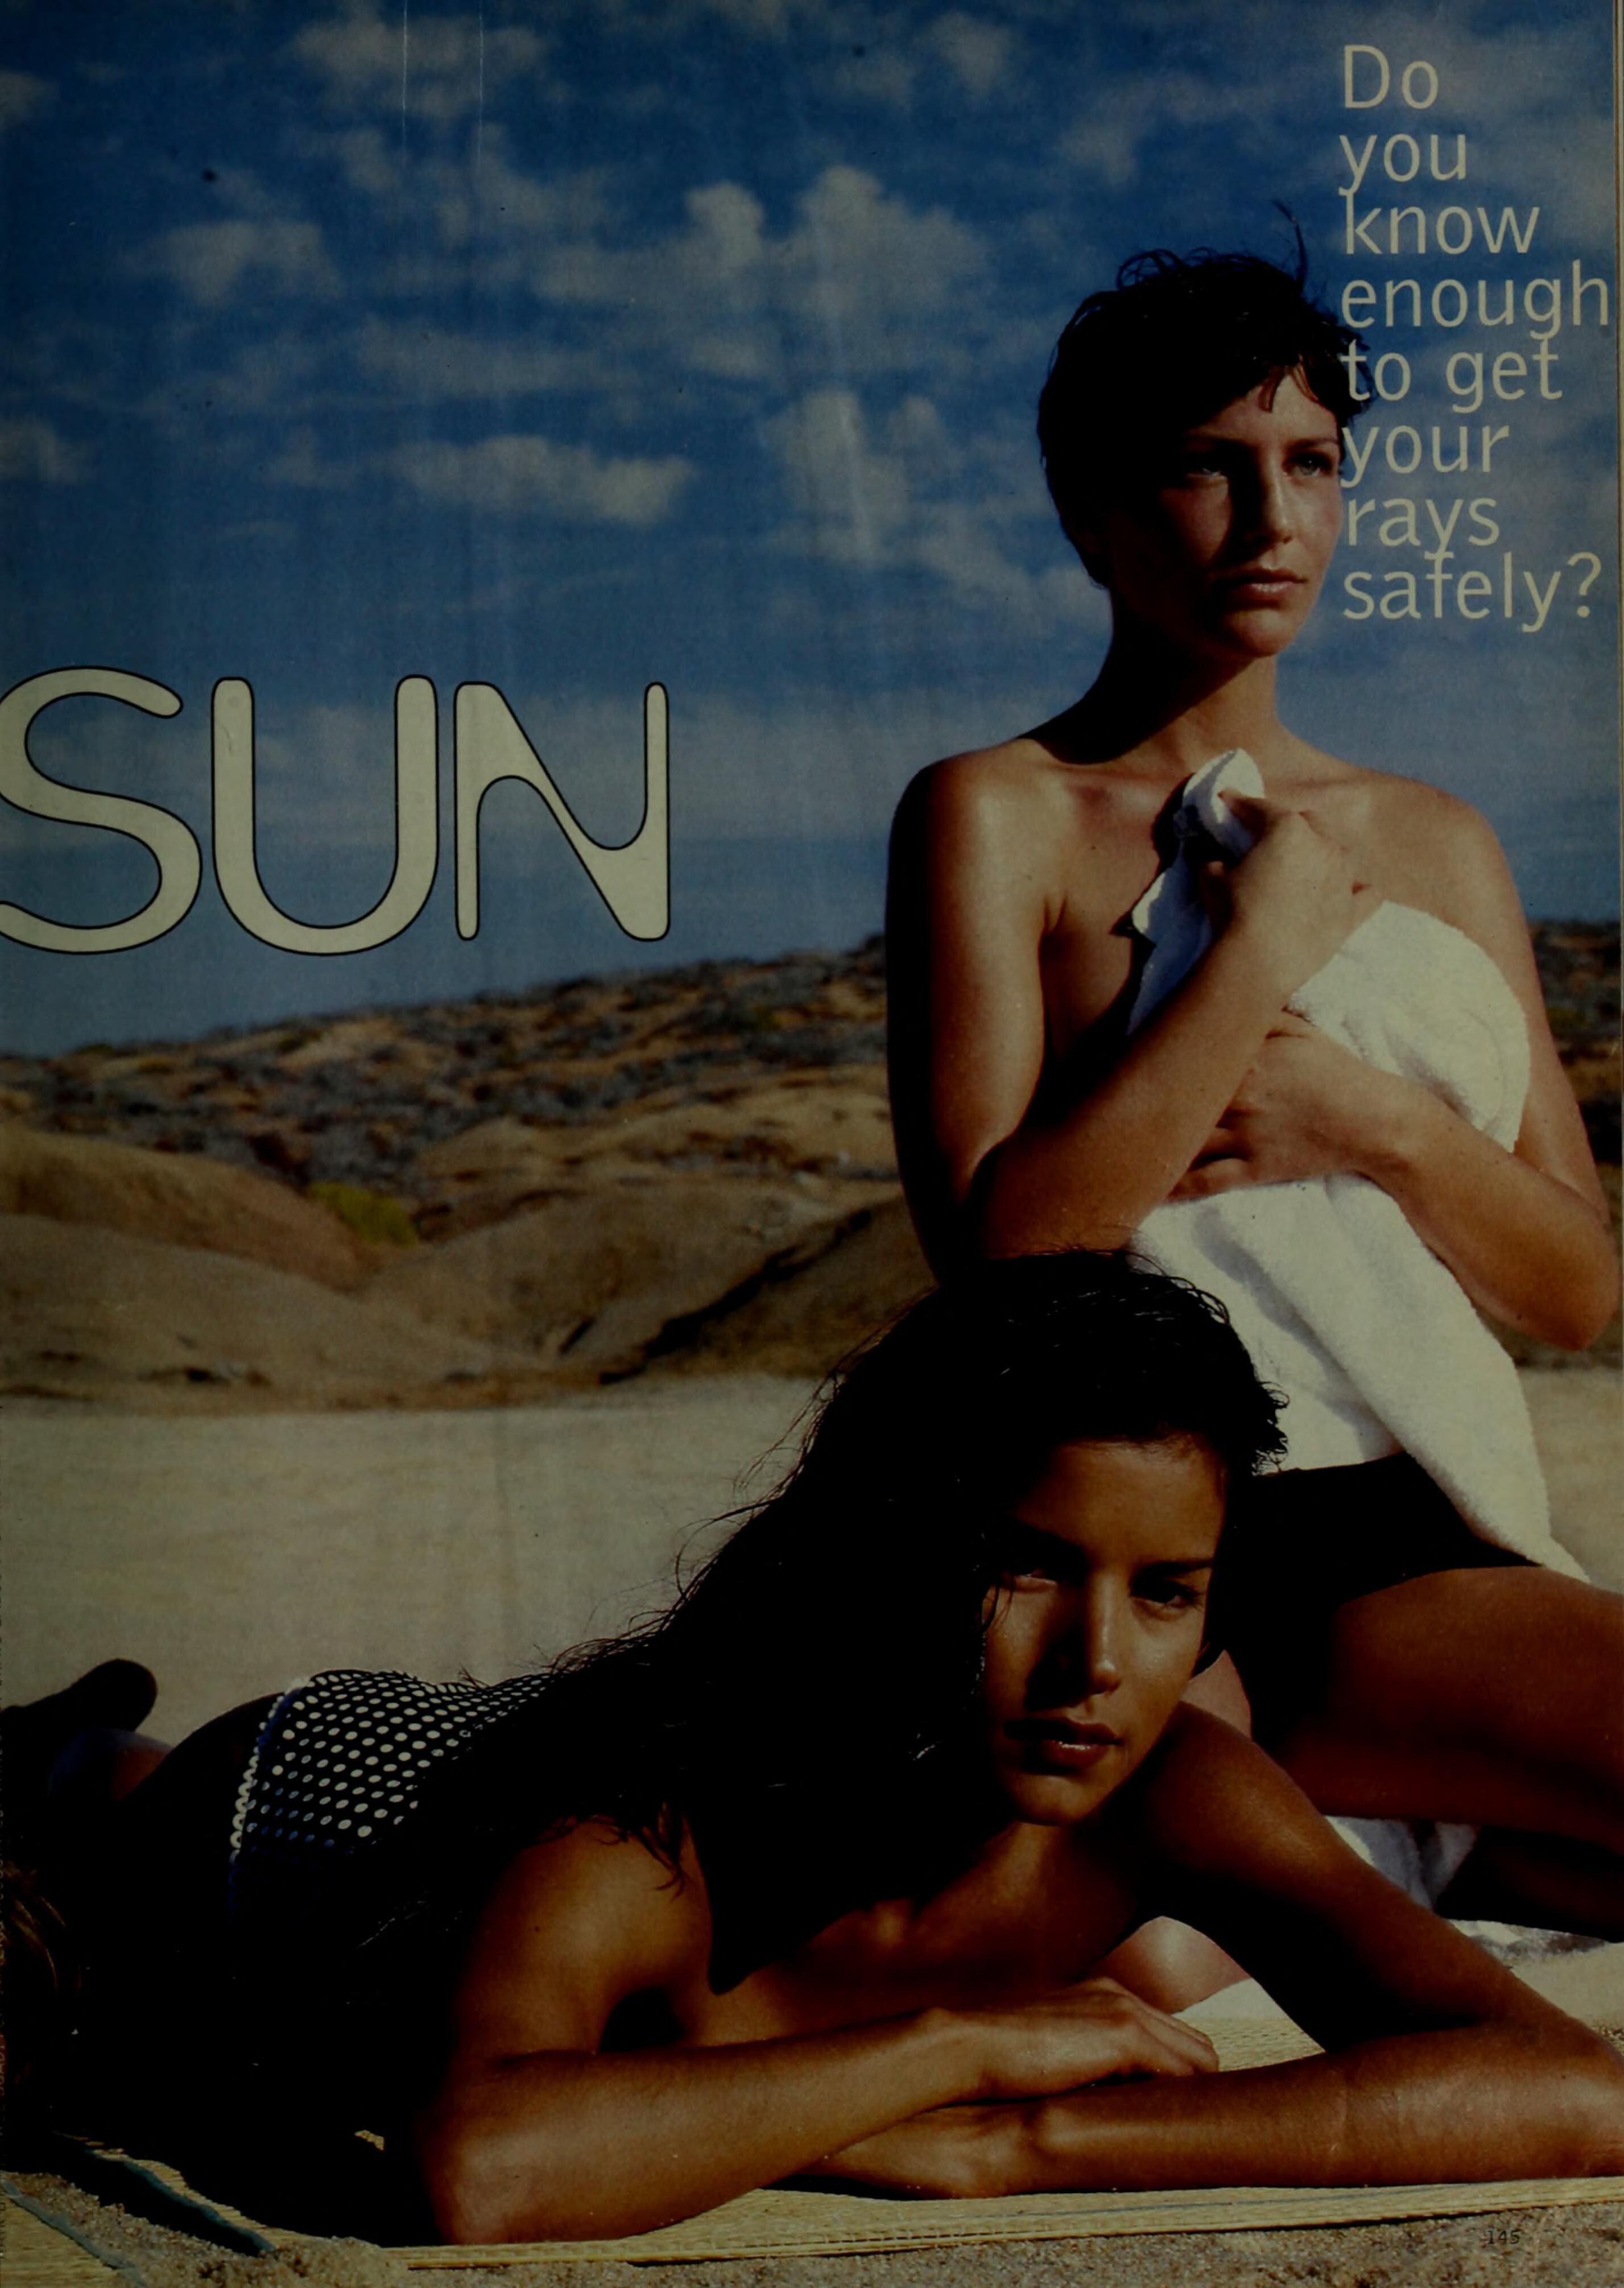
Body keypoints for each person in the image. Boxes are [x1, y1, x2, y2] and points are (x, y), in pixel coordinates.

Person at [8, 1255, 1623, 2244]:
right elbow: (480, 2168)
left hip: (481, 1796)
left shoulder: (1170, 1796)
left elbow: (1564, 2088)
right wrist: (953, 2051)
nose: (1099, 1666)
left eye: (1167, 1593)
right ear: (900, 1551)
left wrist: (1031, 2143)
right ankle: (69, 1747)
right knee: (96, 1822)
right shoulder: (643, 1825)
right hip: (303, 1817)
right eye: (1029, 1567)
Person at [885, 249, 1623, 1955]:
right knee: (1093, 1967)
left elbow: (1578, 1288)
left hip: (1393, 1541)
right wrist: (1260, 949)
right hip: (1113, 1547)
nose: (1272, 519)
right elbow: (1005, 1262)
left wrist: (1377, 1126)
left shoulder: (1436, 840)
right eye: (1207, 467)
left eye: (1311, 465)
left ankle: (1404, 1844)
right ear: (1089, 510)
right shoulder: (1000, 813)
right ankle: (1358, 1852)